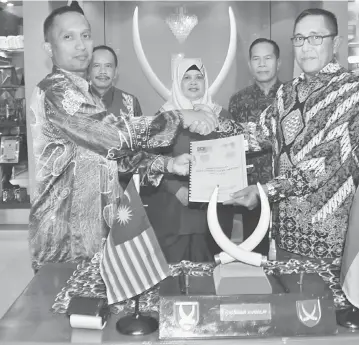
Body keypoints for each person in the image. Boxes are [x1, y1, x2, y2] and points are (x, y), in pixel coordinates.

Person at [28, 6, 218, 273]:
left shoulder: (88, 96)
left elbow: (117, 158)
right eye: (68, 37)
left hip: (95, 231)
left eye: (85, 35)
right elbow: (112, 134)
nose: (81, 45)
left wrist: (168, 165)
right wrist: (178, 116)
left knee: (97, 310)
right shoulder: (55, 91)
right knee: (66, 311)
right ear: (49, 47)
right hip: (63, 236)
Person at [224, 8, 359, 261]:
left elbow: (323, 162)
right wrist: (208, 125)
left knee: (327, 301)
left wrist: (265, 192)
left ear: (335, 42)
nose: (306, 47)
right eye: (299, 39)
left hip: (331, 236)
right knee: (288, 296)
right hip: (284, 229)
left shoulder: (354, 91)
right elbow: (257, 134)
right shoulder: (288, 92)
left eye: (316, 38)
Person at [141, 57, 236, 263]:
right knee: (174, 272)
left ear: (206, 81)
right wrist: (177, 190)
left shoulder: (222, 117)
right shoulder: (165, 117)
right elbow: (150, 159)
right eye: (187, 77)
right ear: (177, 82)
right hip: (173, 207)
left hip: (213, 208)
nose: (193, 82)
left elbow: (233, 159)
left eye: (198, 77)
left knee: (209, 269)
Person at [228, 38, 282, 256]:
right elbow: (231, 147)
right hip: (252, 192)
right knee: (254, 253)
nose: (262, 64)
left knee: (285, 255)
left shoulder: (292, 95)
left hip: (286, 189)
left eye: (267, 58)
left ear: (278, 63)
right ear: (250, 65)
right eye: (256, 59)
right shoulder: (238, 101)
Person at [88, 44, 143, 188]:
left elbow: (140, 149)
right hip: (86, 190)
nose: (102, 71)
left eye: (108, 66)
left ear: (115, 72)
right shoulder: (75, 103)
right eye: (96, 66)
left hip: (122, 188)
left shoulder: (130, 102)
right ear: (88, 70)